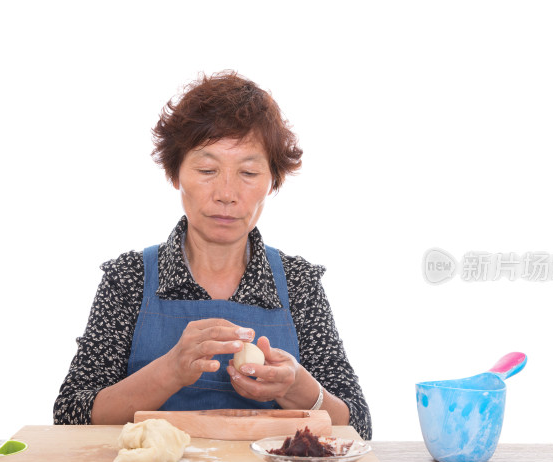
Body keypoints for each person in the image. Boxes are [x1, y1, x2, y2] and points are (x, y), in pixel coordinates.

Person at [53, 71, 372, 440]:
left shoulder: (298, 283)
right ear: (175, 173)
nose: (226, 193)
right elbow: (70, 416)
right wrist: (169, 371)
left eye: (249, 172)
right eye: (207, 170)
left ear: (273, 181)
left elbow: (358, 425)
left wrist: (295, 386)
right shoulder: (130, 278)